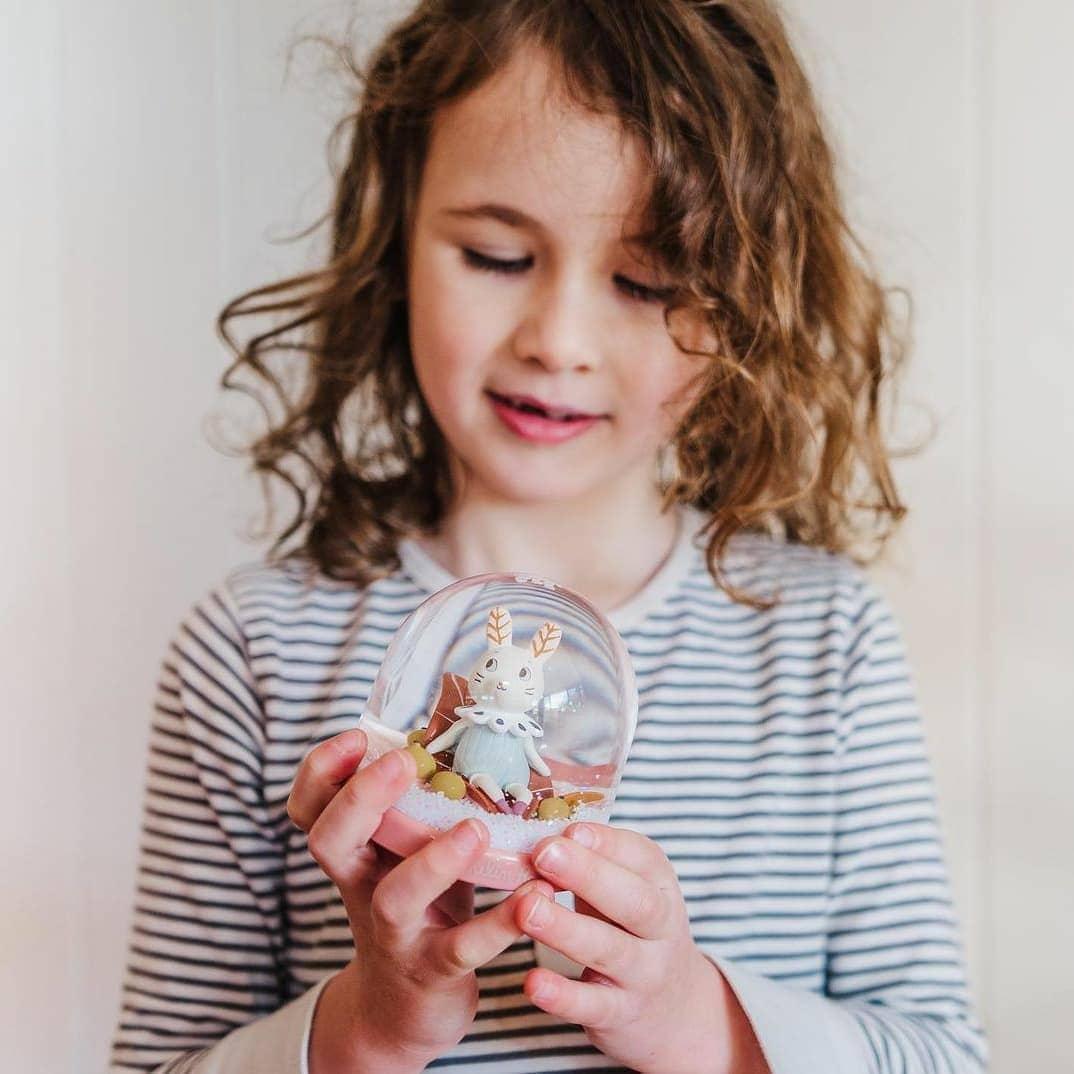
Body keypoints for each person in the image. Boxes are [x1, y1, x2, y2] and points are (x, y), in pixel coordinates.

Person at [108, 1, 987, 1071]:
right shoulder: (248, 651)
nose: (559, 342)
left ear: (743, 298)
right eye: (494, 254)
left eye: (646, 282)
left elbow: (947, 1055)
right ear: (396, 240)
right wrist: (368, 1028)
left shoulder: (823, 642)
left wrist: (696, 1022)